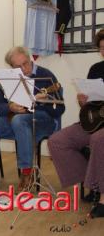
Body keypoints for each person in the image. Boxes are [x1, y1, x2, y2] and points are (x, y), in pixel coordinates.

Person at [0, 46, 65, 192]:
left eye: (26, 63)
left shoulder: (45, 75)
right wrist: (10, 107)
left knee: (19, 120)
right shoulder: (9, 79)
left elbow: (60, 109)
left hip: (42, 121)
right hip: (15, 120)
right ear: (12, 67)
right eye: (18, 66)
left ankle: (27, 174)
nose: (24, 68)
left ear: (30, 59)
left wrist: (40, 102)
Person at [48, 28, 104, 218]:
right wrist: (83, 101)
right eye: (102, 48)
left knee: (99, 139)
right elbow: (90, 107)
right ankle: (94, 184)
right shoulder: (96, 69)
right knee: (57, 141)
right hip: (96, 121)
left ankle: (103, 197)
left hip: (100, 132)